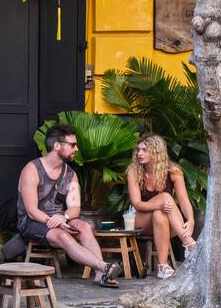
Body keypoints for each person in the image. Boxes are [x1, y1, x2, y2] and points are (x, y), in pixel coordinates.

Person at [17, 123, 120, 287]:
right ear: (57, 146)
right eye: (72, 145)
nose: (76, 149)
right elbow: (31, 211)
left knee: (84, 226)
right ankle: (103, 266)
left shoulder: (70, 174)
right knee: (62, 236)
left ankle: (101, 274)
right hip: (32, 222)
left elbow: (75, 208)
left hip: (60, 220)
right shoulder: (32, 170)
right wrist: (55, 222)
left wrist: (63, 218)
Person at [127, 133, 197, 277]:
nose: (139, 153)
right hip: (140, 220)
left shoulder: (173, 172)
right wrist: (159, 205)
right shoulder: (134, 171)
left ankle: (162, 266)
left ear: (157, 151)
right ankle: (188, 242)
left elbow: (184, 200)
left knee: (160, 215)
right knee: (165, 197)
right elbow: (137, 204)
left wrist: (191, 220)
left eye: (144, 150)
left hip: (166, 224)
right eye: (138, 150)